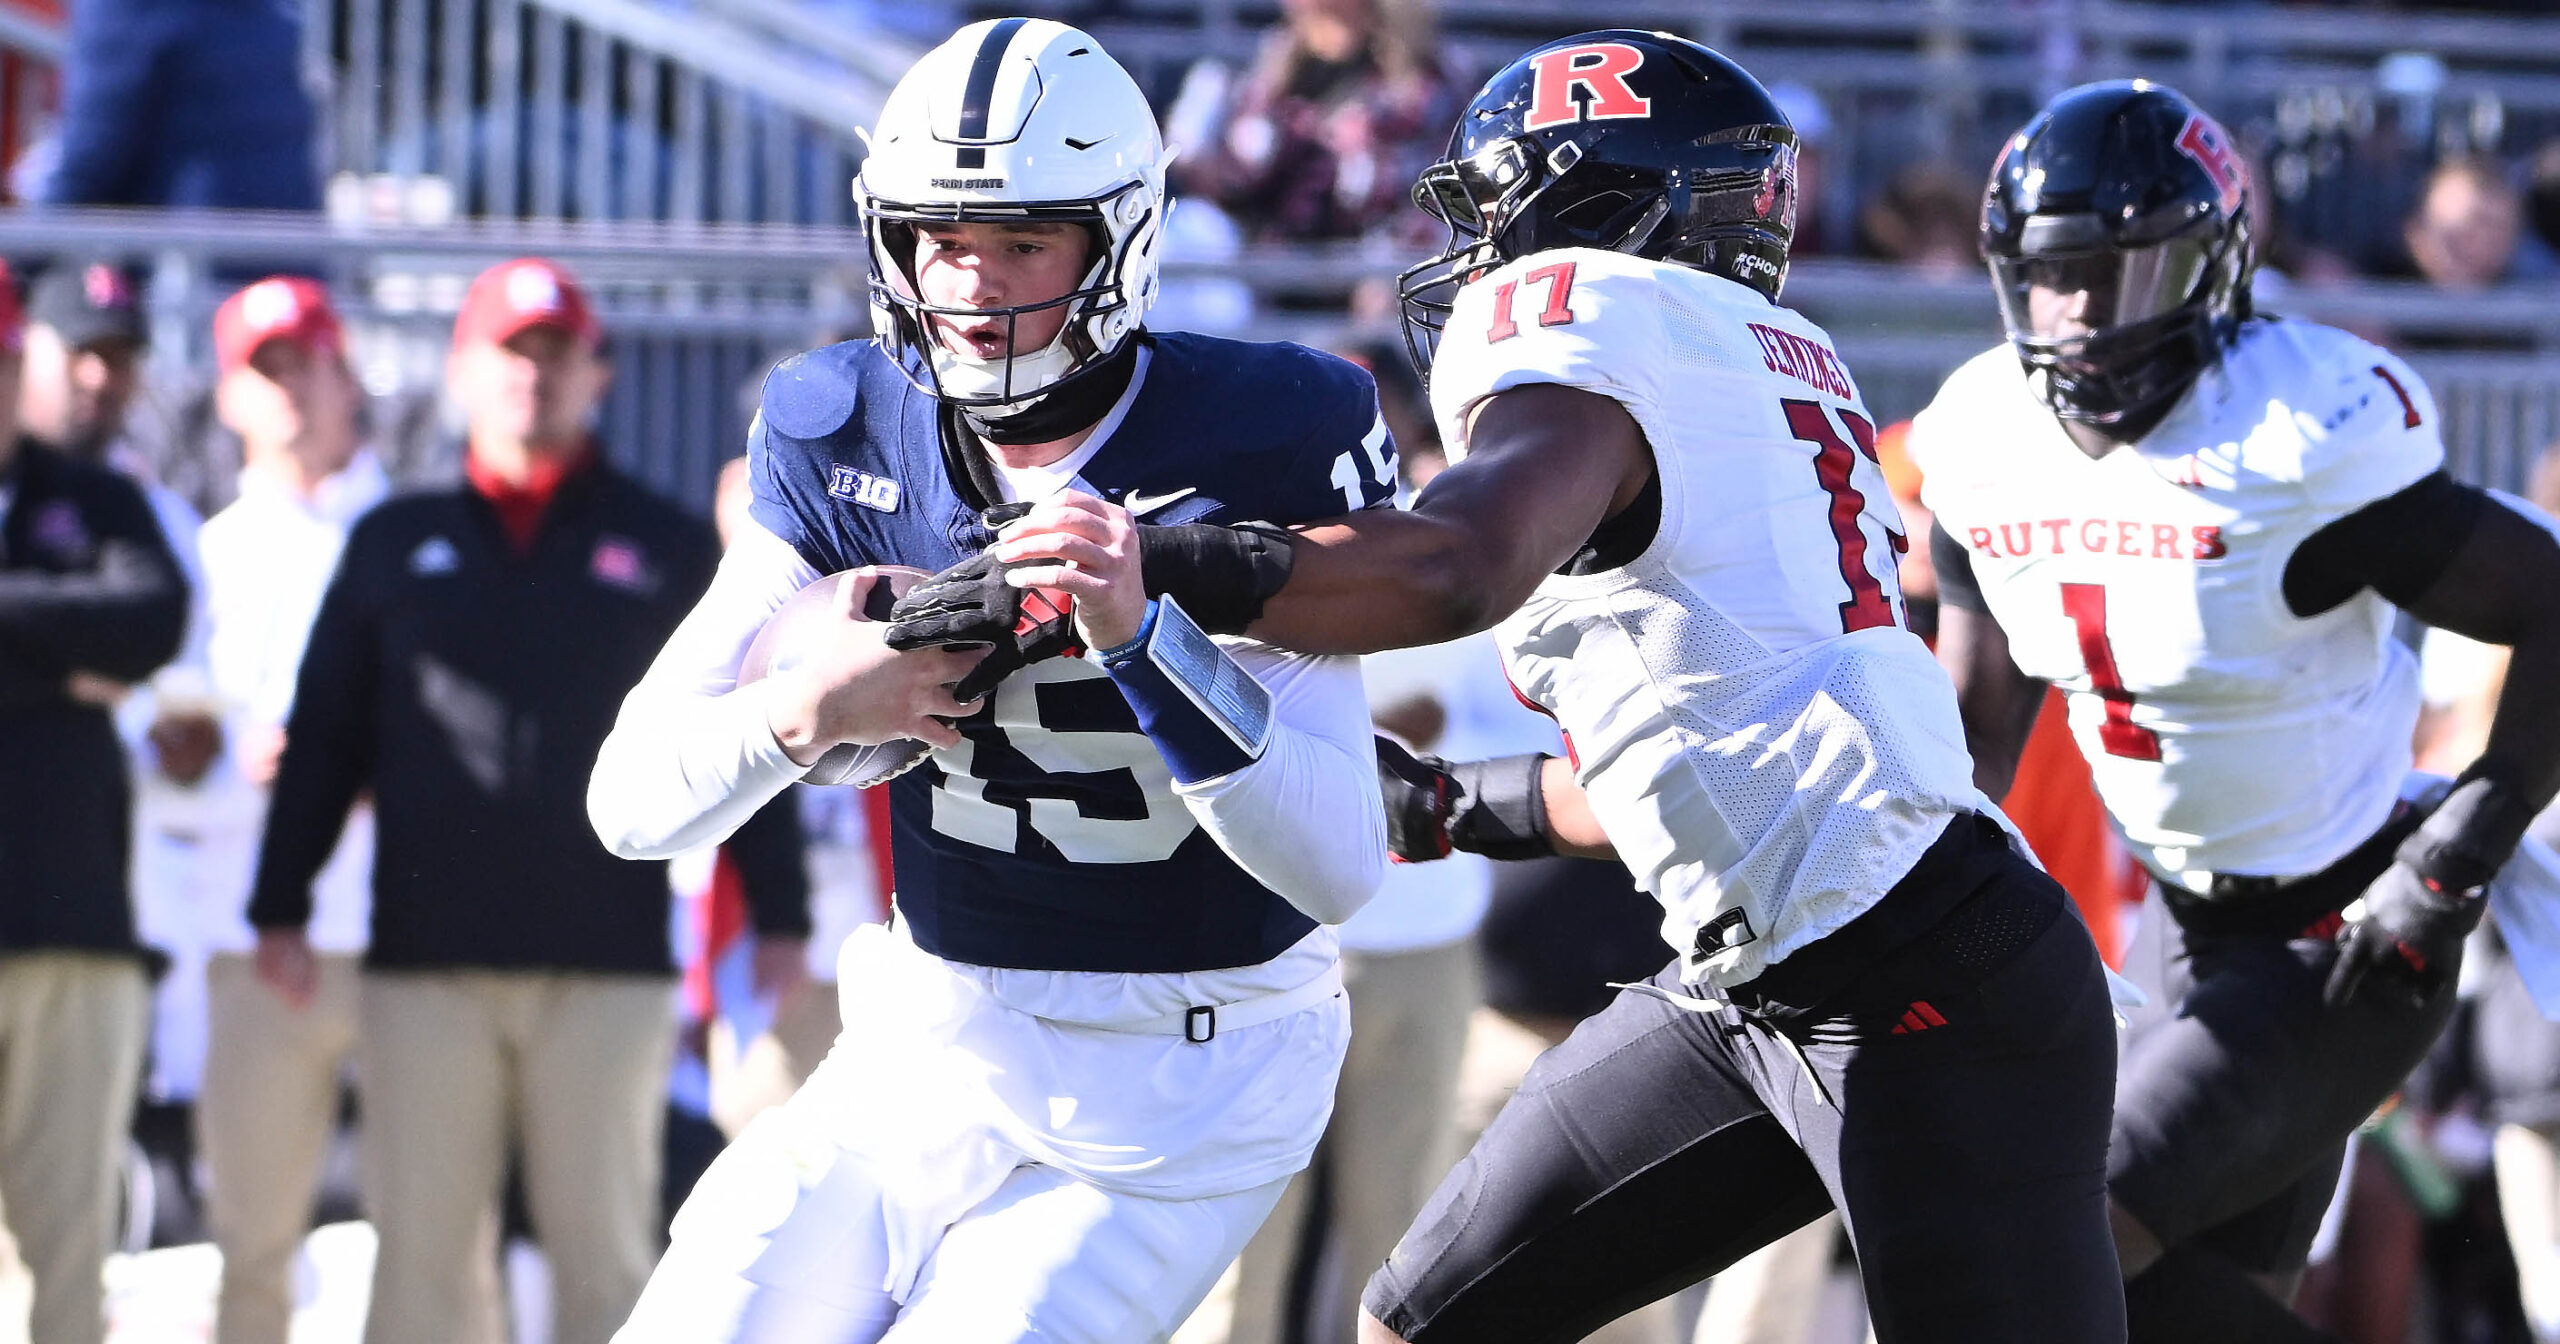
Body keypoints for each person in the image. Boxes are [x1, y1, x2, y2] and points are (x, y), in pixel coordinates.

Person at [938, 30, 2126, 1343]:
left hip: (1923, 982)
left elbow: (1456, 568)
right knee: (1422, 1318)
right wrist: (1436, 808)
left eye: (1497, 209)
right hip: (1769, 978)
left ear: (1598, 209)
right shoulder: (1754, 355)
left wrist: (1144, 562)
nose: (1479, 250)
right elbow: (1706, 753)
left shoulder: (1604, 314)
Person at [585, 18, 1390, 1342]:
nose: (973, 284)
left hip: (1186, 1073)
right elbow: (630, 806)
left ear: (1119, 239)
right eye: (943, 240)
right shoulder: (841, 422)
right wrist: (808, 715)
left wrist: (1142, 635)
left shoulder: (1270, 431)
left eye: (1023, 241)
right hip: (932, 1034)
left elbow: (1339, 861)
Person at [1905, 81, 2560, 1341]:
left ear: (2210, 271)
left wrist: (2459, 853)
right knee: (2174, 1315)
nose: (2081, 315)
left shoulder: (2297, 433)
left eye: (2120, 275)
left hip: (2349, 931)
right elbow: (1974, 731)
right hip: (2181, 920)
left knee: (2029, 1251)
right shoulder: (1983, 430)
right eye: (2053, 277)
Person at [248, 257, 802, 1344]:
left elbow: (749, 726)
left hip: (606, 964)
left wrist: (777, 913)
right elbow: (325, 739)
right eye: (508, 353)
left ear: (599, 372)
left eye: (555, 354)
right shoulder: (391, 544)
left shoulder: (665, 541)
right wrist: (280, 899)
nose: (530, 379)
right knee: (422, 1270)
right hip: (427, 966)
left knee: (606, 1262)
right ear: (459, 371)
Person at [188, 276, 406, 1344]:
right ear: (228, 395)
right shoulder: (204, 553)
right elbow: (169, 747)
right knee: (251, 1249)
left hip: (407, 937)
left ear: (342, 375)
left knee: (432, 1242)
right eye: (259, 370)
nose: (283, 391)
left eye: (300, 364)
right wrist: (229, 760)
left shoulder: (415, 536)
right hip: (254, 938)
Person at [0, 260, 191, 1344]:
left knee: (65, 1246)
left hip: (73, 923)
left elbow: (146, 622)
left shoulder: (99, 498)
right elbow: (102, 636)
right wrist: (55, 659)